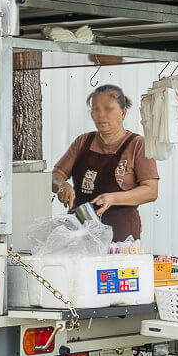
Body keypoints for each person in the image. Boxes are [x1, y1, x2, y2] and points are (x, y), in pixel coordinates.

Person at [52, 84, 159, 242]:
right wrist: (62, 185)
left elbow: (151, 191)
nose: (101, 114)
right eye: (95, 109)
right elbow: (57, 174)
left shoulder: (138, 145)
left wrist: (114, 198)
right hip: (79, 231)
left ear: (123, 113)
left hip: (121, 235)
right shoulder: (83, 142)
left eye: (108, 109)